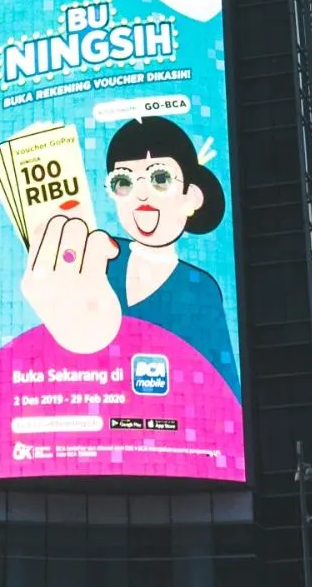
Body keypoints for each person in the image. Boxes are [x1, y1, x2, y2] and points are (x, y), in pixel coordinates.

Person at [21, 114, 239, 394]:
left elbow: (223, 393)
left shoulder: (200, 291)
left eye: (160, 178)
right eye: (123, 182)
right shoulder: (97, 256)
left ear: (191, 197)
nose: (142, 195)